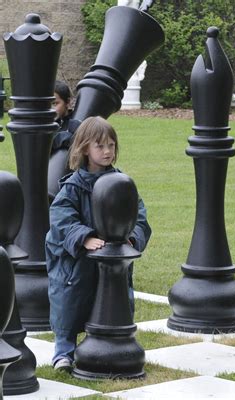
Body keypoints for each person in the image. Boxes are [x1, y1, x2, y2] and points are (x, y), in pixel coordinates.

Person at [45, 116, 152, 372]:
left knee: (114, 301)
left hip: (112, 258)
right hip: (77, 263)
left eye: (111, 145)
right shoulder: (72, 187)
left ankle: (114, 342)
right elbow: (61, 218)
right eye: (100, 146)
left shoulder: (122, 184)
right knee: (69, 305)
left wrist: (132, 237)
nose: (107, 151)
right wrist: (84, 237)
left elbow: (139, 216)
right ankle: (64, 351)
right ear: (84, 148)